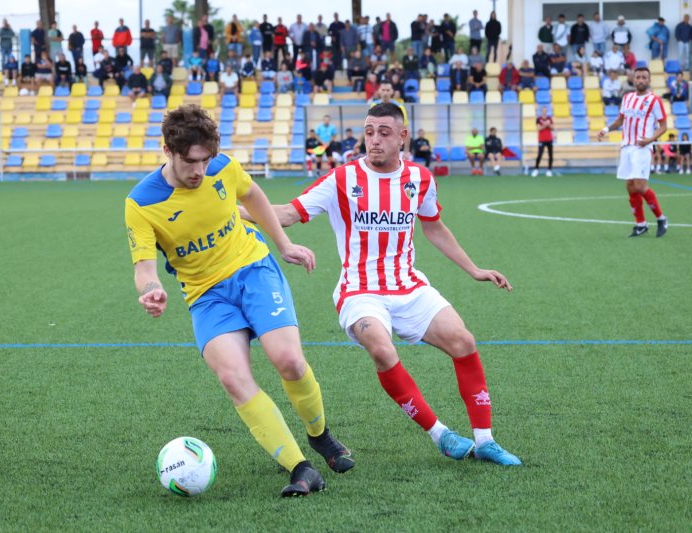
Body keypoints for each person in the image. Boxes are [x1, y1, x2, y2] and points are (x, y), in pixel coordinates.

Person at [242, 103, 522, 467]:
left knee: (463, 341)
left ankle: (485, 440)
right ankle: (441, 434)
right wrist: (231, 210)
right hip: (360, 292)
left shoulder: (420, 179)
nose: (374, 140)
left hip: (409, 286)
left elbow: (434, 227)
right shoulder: (343, 179)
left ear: (402, 137)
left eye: (384, 133)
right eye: (369, 131)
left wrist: (474, 269)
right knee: (382, 349)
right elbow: (288, 214)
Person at [124, 105, 354, 497]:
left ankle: (321, 436)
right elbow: (145, 267)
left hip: (254, 270)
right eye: (189, 161)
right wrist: (151, 292)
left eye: (205, 159)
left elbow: (254, 196)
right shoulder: (141, 202)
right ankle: (301, 467)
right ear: (167, 150)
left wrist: (283, 245)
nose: (199, 170)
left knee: (289, 361)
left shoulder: (223, 168)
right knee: (233, 378)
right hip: (206, 296)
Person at [597, 67, 669, 237]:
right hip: (627, 147)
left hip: (642, 147)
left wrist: (650, 140)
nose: (641, 80)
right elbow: (620, 120)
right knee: (630, 186)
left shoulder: (654, 100)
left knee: (640, 185)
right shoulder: (627, 97)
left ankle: (661, 218)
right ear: (634, 79)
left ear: (649, 80)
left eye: (644, 77)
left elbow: (664, 126)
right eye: (638, 77)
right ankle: (641, 224)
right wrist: (606, 129)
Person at [532, 107, 554, 177]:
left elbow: (552, 127)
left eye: (545, 111)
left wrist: (548, 125)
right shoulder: (539, 119)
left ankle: (549, 170)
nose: (544, 112)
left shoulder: (549, 118)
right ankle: (536, 169)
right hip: (542, 139)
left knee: (550, 155)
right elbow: (539, 128)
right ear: (541, 111)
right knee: (540, 154)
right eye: (543, 110)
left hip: (549, 139)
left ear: (547, 111)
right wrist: (546, 125)